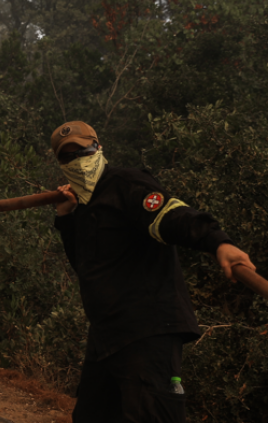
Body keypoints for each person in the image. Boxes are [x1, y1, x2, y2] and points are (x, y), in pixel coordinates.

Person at [50, 121, 256, 423]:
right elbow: (85, 266)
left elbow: (171, 215)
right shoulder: (84, 207)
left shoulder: (127, 184)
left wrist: (217, 242)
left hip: (146, 332)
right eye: (66, 157)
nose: (77, 161)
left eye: (84, 150)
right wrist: (66, 217)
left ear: (99, 148)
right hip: (107, 338)